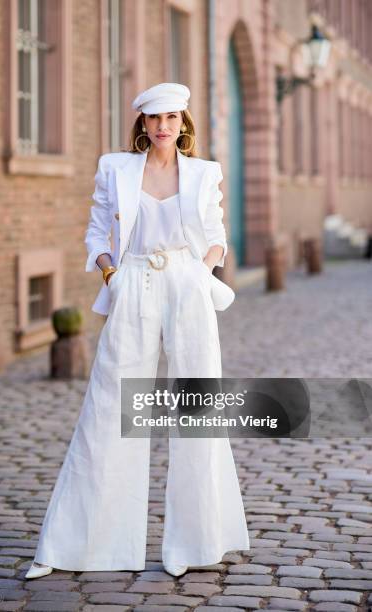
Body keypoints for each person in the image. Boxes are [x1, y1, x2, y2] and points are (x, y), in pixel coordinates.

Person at [25, 83, 250, 580]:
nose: (163, 126)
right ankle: (73, 546)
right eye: (154, 119)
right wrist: (112, 273)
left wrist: (201, 273)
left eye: (172, 118)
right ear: (142, 124)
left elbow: (216, 238)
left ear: (183, 122)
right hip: (135, 283)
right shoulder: (115, 168)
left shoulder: (204, 173)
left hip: (188, 286)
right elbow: (97, 229)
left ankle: (193, 544)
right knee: (109, 405)